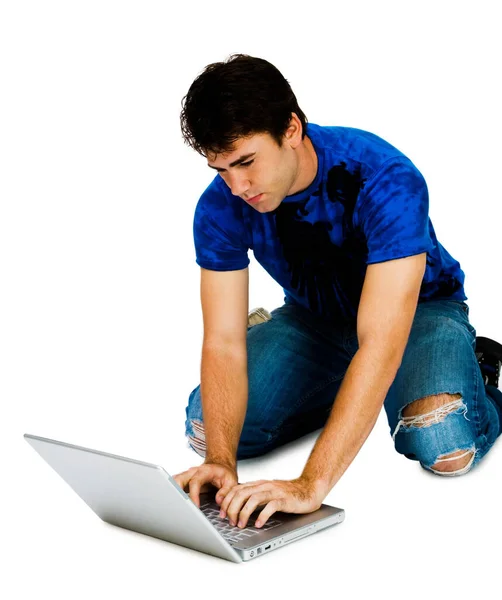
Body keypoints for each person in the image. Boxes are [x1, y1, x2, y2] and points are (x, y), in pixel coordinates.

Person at [173, 53, 502, 532]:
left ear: (291, 128)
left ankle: (478, 371)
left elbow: (382, 341)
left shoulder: (383, 177)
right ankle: (336, 384)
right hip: (315, 320)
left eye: (245, 162)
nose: (237, 186)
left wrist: (311, 484)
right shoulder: (220, 205)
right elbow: (222, 341)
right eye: (220, 169)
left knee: (443, 442)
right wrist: (222, 461)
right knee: (208, 431)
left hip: (415, 316)